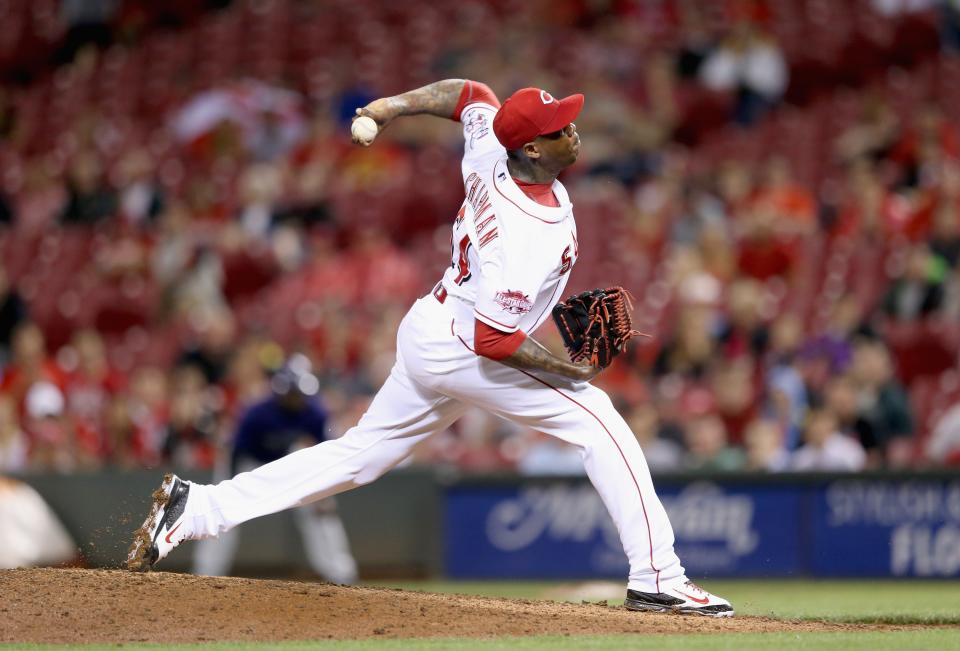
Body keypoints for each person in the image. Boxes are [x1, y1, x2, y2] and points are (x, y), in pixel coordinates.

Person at [126, 79, 733, 617]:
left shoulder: (494, 146)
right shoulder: (524, 232)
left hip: (433, 326)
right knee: (598, 420)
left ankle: (197, 508)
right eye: (558, 129)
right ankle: (660, 578)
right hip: (467, 345)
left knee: (359, 457)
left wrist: (391, 106)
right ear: (532, 149)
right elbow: (492, 340)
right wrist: (570, 370)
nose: (572, 132)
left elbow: (468, 95)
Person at [192, 355, 357, 584]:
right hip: (248, 463)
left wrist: (323, 495)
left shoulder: (315, 413)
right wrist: (226, 492)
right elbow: (236, 453)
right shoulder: (257, 412)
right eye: (293, 392)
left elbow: (325, 454)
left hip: (286, 464)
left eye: (301, 393)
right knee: (222, 513)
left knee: (322, 513)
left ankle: (342, 574)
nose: (298, 398)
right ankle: (204, 574)